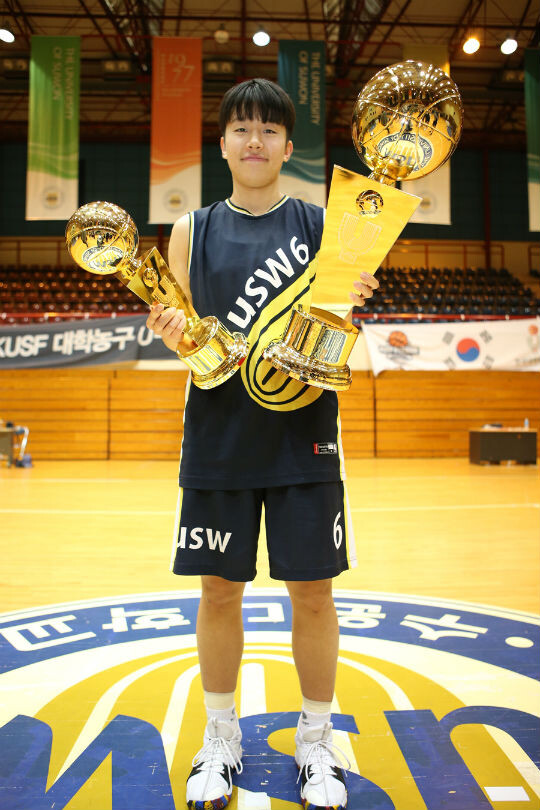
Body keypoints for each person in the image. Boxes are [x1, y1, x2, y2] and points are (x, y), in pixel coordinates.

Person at [146, 78, 379, 810]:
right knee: (219, 590)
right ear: (222, 145)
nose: (254, 140)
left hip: (304, 433)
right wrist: (172, 334)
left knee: (313, 591)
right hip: (219, 434)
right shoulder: (190, 231)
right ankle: (221, 737)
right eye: (241, 128)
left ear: (287, 146)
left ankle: (317, 740)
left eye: (269, 129)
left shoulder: (325, 225)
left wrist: (351, 301)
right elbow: (187, 337)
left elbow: (337, 332)